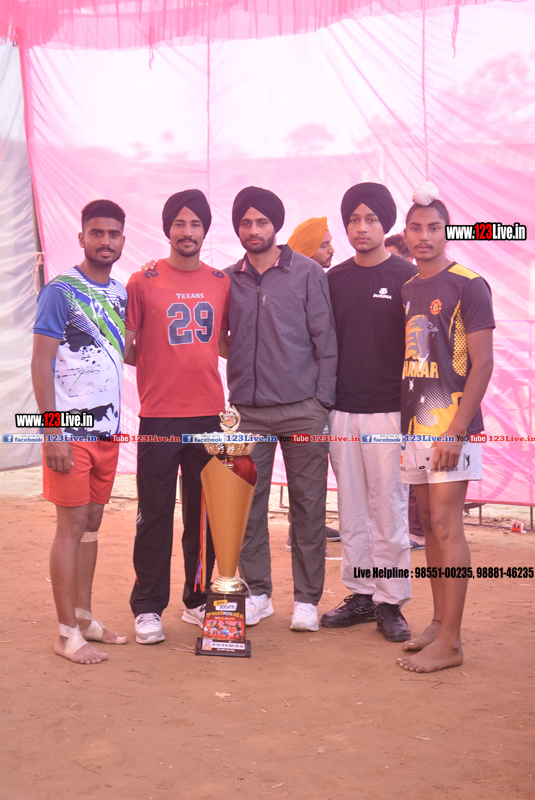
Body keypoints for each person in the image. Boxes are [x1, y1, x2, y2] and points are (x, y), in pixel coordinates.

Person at [223, 186, 337, 632]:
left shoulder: (307, 272)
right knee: (247, 506)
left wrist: (321, 402)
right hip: (247, 413)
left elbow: (325, 340)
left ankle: (307, 600)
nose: (254, 230)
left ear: (276, 225)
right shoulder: (227, 279)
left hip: (303, 410)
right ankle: (258, 594)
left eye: (262, 222)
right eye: (246, 223)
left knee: (308, 506)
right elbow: (219, 336)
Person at [124, 190, 230, 644]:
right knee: (154, 513)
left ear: (206, 229)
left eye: (196, 224)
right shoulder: (142, 280)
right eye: (180, 223)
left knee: (204, 516)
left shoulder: (221, 281)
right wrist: (160, 362)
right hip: (160, 415)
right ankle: (148, 606)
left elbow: (224, 343)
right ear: (168, 228)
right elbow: (126, 346)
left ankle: (198, 598)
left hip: (209, 414)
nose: (187, 232)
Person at [396, 189, 494, 673]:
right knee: (430, 526)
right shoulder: (409, 287)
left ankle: (452, 642)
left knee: (447, 525)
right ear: (406, 233)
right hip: (416, 424)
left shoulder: (469, 285)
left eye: (434, 227)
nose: (424, 236)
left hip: (452, 427)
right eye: (416, 228)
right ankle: (438, 623)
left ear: (447, 231)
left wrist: (455, 431)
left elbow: (483, 363)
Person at [31, 199, 128, 664]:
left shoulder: (121, 293)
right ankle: (65, 632)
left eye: (113, 234)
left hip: (108, 431)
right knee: (69, 527)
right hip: (69, 430)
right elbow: (40, 362)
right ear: (82, 237)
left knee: (91, 524)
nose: (105, 241)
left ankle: (86, 618)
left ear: (123, 239)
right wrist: (52, 432)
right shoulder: (60, 292)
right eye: (97, 232)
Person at [322, 183, 417, 642]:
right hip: (342, 412)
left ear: (386, 223)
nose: (362, 228)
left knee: (389, 508)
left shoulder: (408, 277)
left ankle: (391, 600)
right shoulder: (333, 279)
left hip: (390, 415)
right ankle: (361, 594)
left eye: (371, 219)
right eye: (354, 220)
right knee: (352, 509)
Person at [285, 216, 339, 549]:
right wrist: (320, 397)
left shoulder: (327, 279)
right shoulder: (295, 285)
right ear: (306, 251)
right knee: (305, 469)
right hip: (305, 396)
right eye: (324, 244)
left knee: (314, 470)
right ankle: (300, 531)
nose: (332, 250)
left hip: (322, 393)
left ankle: (307, 527)